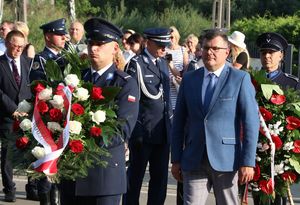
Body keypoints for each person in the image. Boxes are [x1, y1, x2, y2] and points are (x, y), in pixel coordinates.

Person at [171, 29, 260, 205]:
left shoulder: (239, 78)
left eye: (215, 48)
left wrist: (248, 161)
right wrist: (175, 158)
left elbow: (250, 121)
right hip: (194, 157)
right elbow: (179, 121)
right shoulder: (189, 79)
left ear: (227, 52)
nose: (209, 52)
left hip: (226, 160)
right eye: (205, 48)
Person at [59, 17, 139, 205]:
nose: (93, 48)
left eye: (100, 44)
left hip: (103, 177)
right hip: (72, 176)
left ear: (115, 48)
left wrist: (80, 139)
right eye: (91, 43)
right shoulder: (77, 79)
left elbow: (121, 130)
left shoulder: (124, 83)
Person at [123, 27, 173, 205]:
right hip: (143, 132)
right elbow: (131, 101)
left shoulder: (162, 63)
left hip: (162, 131)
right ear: (148, 43)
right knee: (135, 178)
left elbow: (166, 99)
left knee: (160, 181)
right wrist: (130, 133)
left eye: (165, 45)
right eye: (160, 45)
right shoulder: (136, 64)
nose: (163, 48)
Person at [254, 32, 300, 205]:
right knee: (258, 195)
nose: (267, 56)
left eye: (271, 52)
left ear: (281, 55)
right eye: (263, 52)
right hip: (256, 152)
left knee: (279, 198)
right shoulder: (251, 81)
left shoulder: (292, 84)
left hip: (281, 153)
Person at [28, 18, 68, 205]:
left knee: (64, 171)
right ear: (48, 36)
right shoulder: (41, 59)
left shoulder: (67, 57)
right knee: (48, 170)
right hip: (48, 120)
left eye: (64, 34)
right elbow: (37, 88)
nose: (64, 37)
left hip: (65, 118)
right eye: (59, 34)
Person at [0, 30, 32, 202]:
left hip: (27, 116)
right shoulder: (1, 63)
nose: (18, 49)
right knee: (8, 155)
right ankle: (10, 190)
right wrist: (12, 109)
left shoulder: (28, 63)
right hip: (7, 116)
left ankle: (32, 187)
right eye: (15, 45)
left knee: (32, 152)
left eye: (22, 46)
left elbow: (33, 87)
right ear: (7, 43)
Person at [166, 26, 189, 110]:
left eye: (171, 37)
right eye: (167, 37)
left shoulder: (183, 50)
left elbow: (186, 69)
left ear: (176, 37)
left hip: (178, 84)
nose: (170, 39)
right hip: (166, 83)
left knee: (177, 108)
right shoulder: (164, 50)